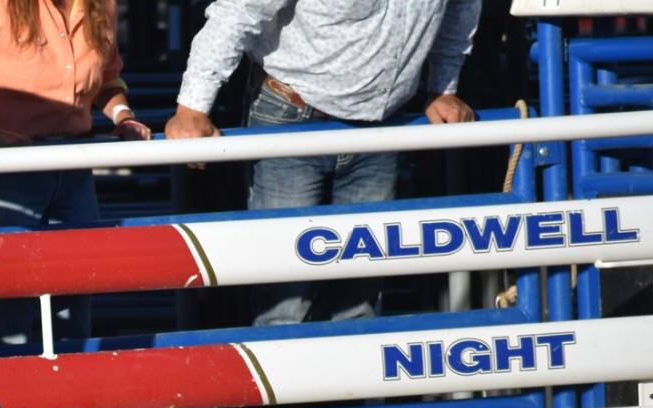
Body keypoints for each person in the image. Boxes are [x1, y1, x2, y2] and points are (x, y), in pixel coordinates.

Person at [166, 0, 480, 325]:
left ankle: (351, 371)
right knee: (284, 296)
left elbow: (461, 9)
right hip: (291, 117)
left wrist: (442, 88)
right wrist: (193, 108)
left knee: (360, 295)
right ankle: (284, 370)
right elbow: (240, 8)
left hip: (382, 124)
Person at [0, 0, 149, 353]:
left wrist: (124, 116)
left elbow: (107, 78)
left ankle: (68, 396)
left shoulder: (101, 5)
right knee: (8, 297)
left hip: (75, 165)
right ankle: (5, 402)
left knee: (78, 289)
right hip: (7, 169)